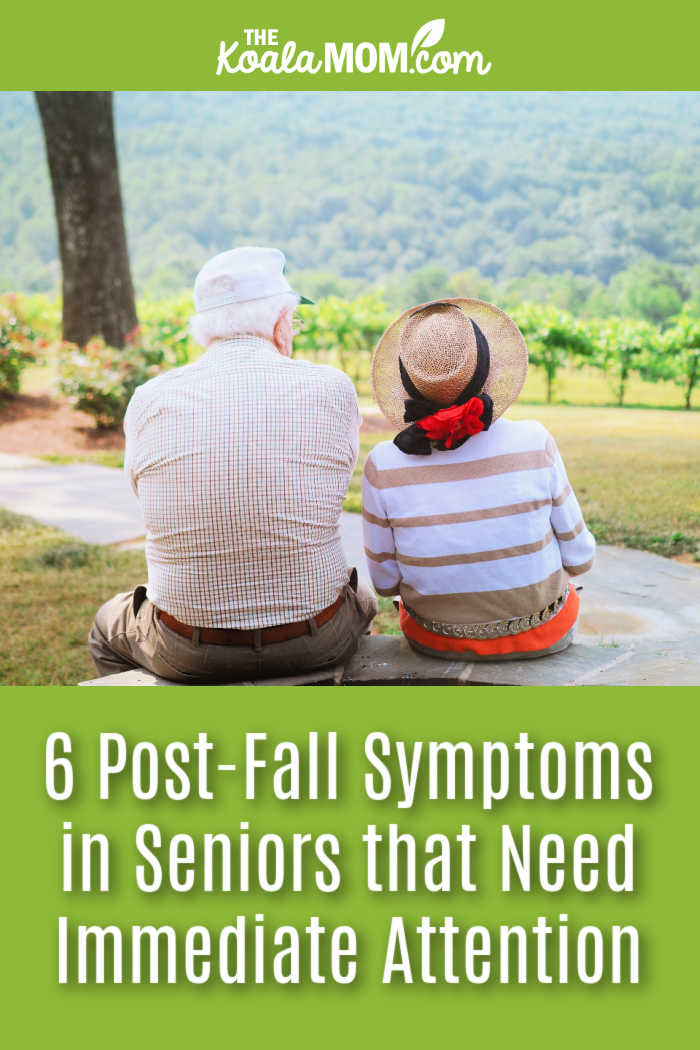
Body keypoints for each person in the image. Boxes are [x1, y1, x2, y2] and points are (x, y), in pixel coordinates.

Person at [89, 246, 376, 681]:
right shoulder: (331, 387)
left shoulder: (149, 398)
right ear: (280, 320)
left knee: (105, 627)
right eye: (293, 319)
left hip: (186, 647)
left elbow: (142, 493)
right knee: (364, 600)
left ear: (204, 329)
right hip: (317, 638)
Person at [362, 298, 595, 661]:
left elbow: (385, 584)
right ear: (488, 369)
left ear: (408, 383)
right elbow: (581, 557)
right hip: (543, 633)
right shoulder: (535, 440)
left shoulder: (384, 463)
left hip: (435, 640)